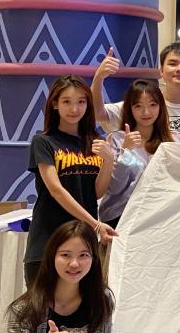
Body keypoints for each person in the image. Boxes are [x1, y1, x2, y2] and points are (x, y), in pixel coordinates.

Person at [26, 76, 118, 287]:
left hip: (83, 245)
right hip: (48, 239)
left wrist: (109, 160)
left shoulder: (94, 142)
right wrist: (95, 224)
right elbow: (56, 190)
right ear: (55, 104)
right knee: (42, 307)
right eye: (66, 101)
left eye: (81, 102)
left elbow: (95, 193)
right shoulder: (43, 142)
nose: (74, 109)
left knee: (83, 306)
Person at [91, 41, 180, 142]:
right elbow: (98, 114)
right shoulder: (145, 103)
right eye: (173, 64)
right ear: (161, 71)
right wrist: (99, 77)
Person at [95, 79, 173, 230]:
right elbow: (114, 188)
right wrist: (126, 151)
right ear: (129, 109)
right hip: (119, 217)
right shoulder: (116, 139)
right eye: (138, 106)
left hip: (156, 217)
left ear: (161, 107)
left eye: (153, 105)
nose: (146, 112)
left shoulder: (169, 143)